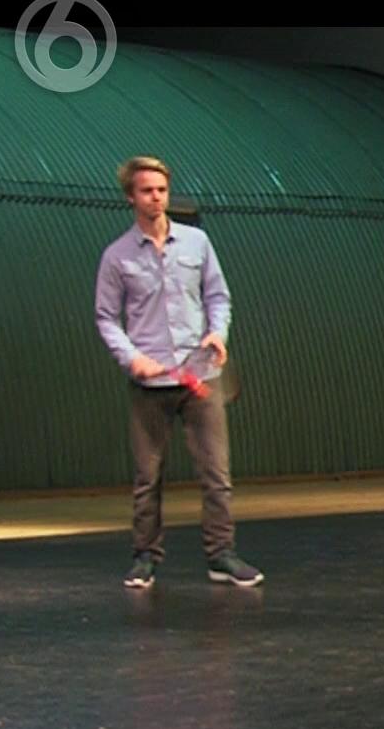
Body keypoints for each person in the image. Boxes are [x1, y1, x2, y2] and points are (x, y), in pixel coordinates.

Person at [94, 155, 263, 589]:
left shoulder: (197, 243)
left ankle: (221, 555)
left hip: (199, 378)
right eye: (147, 191)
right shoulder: (116, 256)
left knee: (216, 474)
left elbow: (218, 297)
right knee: (147, 477)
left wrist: (217, 334)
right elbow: (106, 318)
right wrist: (132, 357)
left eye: (162, 190)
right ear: (131, 197)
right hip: (149, 384)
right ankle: (145, 557)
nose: (156, 197)